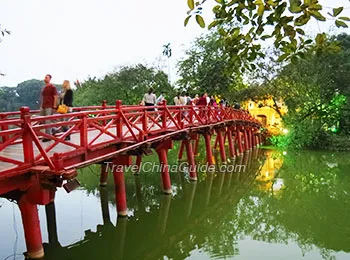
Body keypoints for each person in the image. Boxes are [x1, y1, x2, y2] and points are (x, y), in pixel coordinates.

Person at [40, 74, 58, 142]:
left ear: (50, 79)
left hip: (49, 105)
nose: (45, 79)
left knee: (47, 121)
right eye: (45, 77)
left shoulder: (52, 87)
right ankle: (53, 129)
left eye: (46, 78)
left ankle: (48, 136)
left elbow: (55, 96)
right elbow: (42, 97)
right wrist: (41, 105)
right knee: (42, 121)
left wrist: (54, 105)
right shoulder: (44, 88)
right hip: (44, 106)